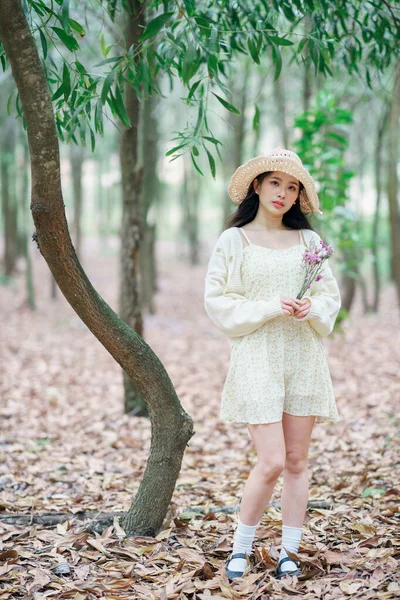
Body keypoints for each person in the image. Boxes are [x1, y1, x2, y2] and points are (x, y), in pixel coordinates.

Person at [203, 148, 341, 581]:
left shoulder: (310, 243)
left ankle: (288, 553)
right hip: (257, 355)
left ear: (299, 195)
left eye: (292, 186)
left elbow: (329, 296)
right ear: (257, 186)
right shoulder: (234, 239)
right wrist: (268, 306)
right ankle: (239, 550)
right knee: (272, 461)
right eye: (275, 183)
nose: (283, 193)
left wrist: (310, 308)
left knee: (298, 459)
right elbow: (217, 300)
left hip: (302, 354)